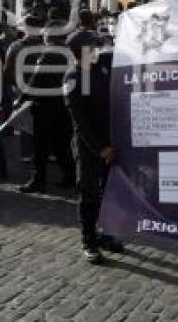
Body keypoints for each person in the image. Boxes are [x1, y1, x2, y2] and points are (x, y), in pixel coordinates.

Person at [64, 31, 123, 263]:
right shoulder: (74, 77)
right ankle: (89, 240)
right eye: (92, 47)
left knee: (109, 192)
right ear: (80, 51)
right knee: (89, 194)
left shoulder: (101, 70)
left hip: (110, 142)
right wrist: (100, 148)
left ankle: (107, 234)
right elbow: (79, 121)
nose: (97, 50)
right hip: (89, 145)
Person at [18, 21, 76, 193]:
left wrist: (21, 99)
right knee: (62, 144)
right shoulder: (69, 52)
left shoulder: (48, 54)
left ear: (50, 36)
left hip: (45, 104)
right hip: (63, 104)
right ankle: (70, 176)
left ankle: (38, 180)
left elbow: (36, 78)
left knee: (40, 146)